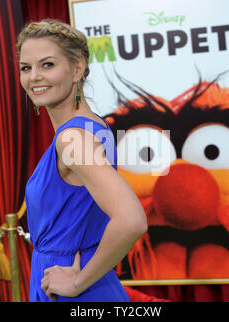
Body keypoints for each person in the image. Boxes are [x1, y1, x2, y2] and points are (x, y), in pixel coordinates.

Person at [16, 19, 148, 302]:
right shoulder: (91, 125)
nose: (34, 76)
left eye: (47, 64)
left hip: (75, 291)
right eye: (26, 67)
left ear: (77, 68)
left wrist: (77, 282)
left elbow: (132, 220)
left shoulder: (72, 138)